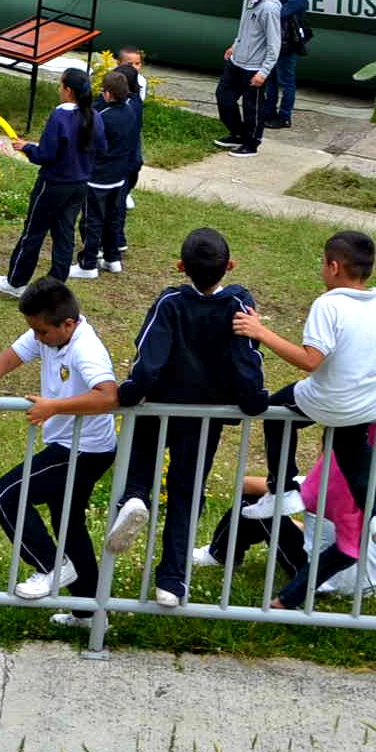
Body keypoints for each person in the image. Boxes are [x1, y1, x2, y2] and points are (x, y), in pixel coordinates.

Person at [100, 228, 270, 605]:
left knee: (141, 459)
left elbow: (149, 357)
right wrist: (253, 400)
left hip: (157, 406)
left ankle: (134, 496)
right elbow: (247, 358)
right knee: (186, 493)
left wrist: (129, 394)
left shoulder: (170, 302)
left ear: (180, 266)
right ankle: (172, 582)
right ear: (230, 266)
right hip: (203, 417)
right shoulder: (239, 306)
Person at [231, 230, 376, 573]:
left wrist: (261, 331)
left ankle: (283, 488)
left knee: (278, 411)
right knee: (355, 457)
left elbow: (310, 361)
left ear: (334, 266)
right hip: (366, 407)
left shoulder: (328, 304)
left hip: (325, 400)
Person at [0, 279, 120, 608]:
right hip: (70, 445)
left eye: (42, 332)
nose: (36, 338)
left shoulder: (86, 349)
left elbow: (109, 396)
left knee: (7, 496)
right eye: (33, 331)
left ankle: (51, 567)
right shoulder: (48, 333)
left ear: (69, 324)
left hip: (84, 450)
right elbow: (11, 356)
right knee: (69, 525)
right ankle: (88, 612)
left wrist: (54, 407)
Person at [0, 66, 96, 296]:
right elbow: (100, 148)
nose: (58, 88)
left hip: (53, 184)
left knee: (34, 231)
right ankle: (56, 286)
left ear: (68, 90)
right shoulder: (94, 116)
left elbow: (46, 155)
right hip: (80, 184)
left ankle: (16, 282)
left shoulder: (60, 115)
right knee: (64, 233)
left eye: (60, 85)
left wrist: (27, 148)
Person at [78, 69, 141, 279]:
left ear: (107, 94)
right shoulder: (131, 111)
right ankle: (113, 259)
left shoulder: (102, 117)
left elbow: (90, 144)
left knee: (92, 220)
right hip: (119, 177)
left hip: (98, 178)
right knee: (113, 218)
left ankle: (88, 263)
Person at [212, 0, 280, 156]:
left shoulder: (269, 9)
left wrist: (263, 72)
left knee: (252, 108)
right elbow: (245, 28)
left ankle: (252, 144)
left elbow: (274, 44)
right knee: (224, 97)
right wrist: (235, 45)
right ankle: (238, 134)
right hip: (236, 61)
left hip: (255, 67)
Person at [261, 0, 310, 131]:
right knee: (271, 78)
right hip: (274, 39)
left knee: (286, 81)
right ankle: (269, 112)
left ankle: (284, 116)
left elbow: (279, 13)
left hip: (287, 42)